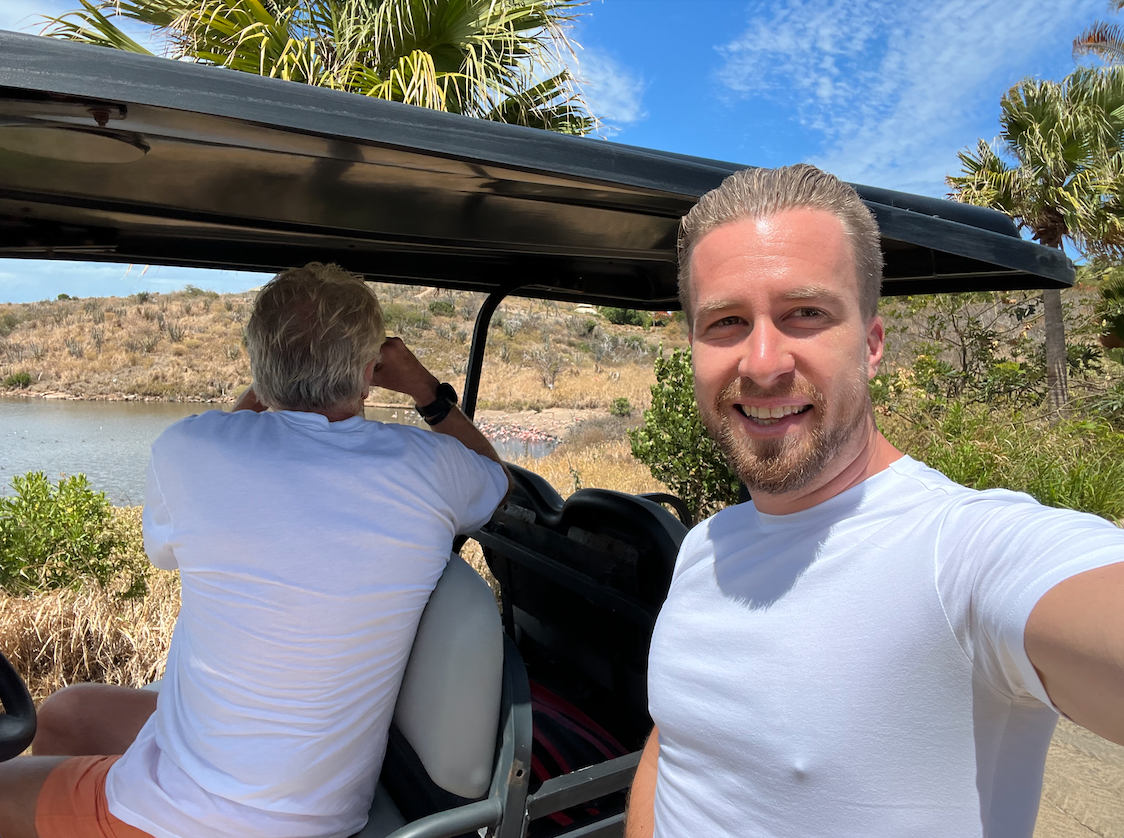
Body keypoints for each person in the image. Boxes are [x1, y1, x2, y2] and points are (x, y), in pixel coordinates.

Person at [624, 165, 1124, 838]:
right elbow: (677, 745)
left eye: (806, 313)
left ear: (871, 344)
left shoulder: (961, 553)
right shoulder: (706, 547)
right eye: (726, 321)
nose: (763, 362)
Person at [0, 263, 510, 838]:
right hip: (318, 808)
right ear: (371, 375)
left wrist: (265, 388)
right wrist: (424, 390)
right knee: (68, 713)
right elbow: (496, 481)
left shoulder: (190, 447)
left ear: (258, 367)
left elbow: (168, 545)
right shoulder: (429, 465)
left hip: (193, 817)